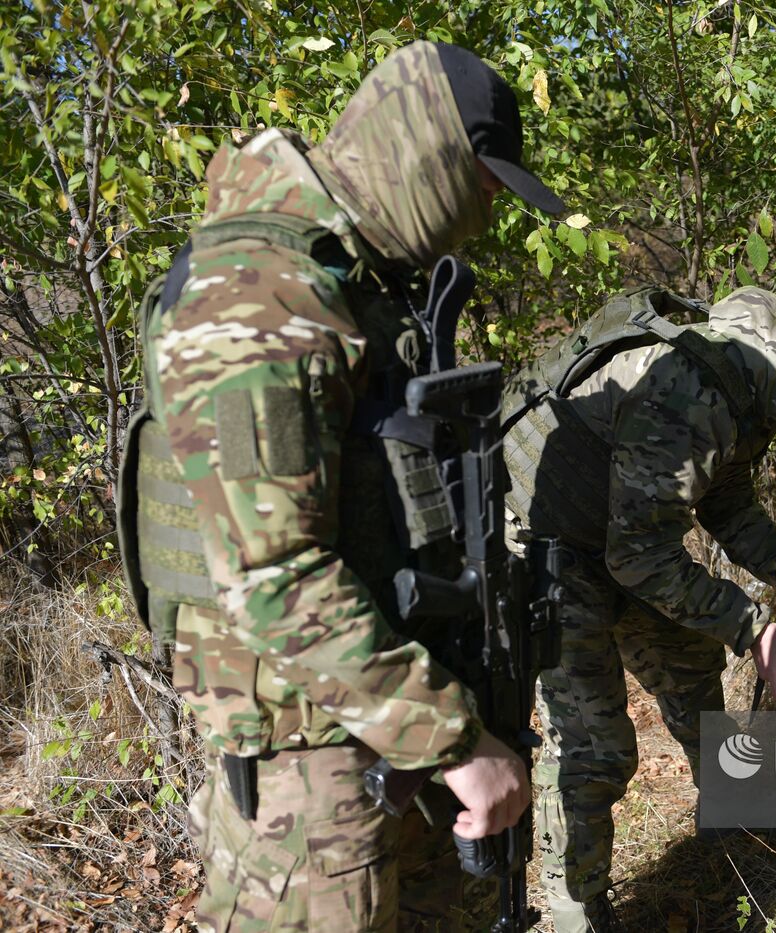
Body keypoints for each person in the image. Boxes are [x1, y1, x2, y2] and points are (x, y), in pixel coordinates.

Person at [117, 41, 562, 930]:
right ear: (426, 153)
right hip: (308, 770)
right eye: (480, 185)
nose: (481, 216)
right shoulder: (263, 296)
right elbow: (276, 579)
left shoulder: (348, 286)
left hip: (378, 732)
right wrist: (451, 737)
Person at [501, 286, 776, 931]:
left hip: (620, 539)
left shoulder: (754, 385)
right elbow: (638, 557)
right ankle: (575, 908)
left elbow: (723, 501)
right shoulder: (697, 391)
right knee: (595, 745)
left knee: (694, 678)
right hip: (548, 544)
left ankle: (734, 831)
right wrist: (756, 631)